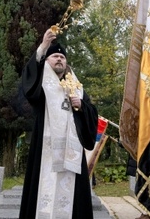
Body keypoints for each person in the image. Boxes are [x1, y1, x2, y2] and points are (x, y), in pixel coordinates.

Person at [18, 28, 98, 219]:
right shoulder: (42, 84)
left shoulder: (76, 87)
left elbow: (92, 114)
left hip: (71, 154)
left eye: (62, 57)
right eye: (54, 56)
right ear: (47, 61)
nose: (59, 59)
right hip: (45, 151)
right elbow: (29, 82)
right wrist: (44, 46)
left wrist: (82, 107)